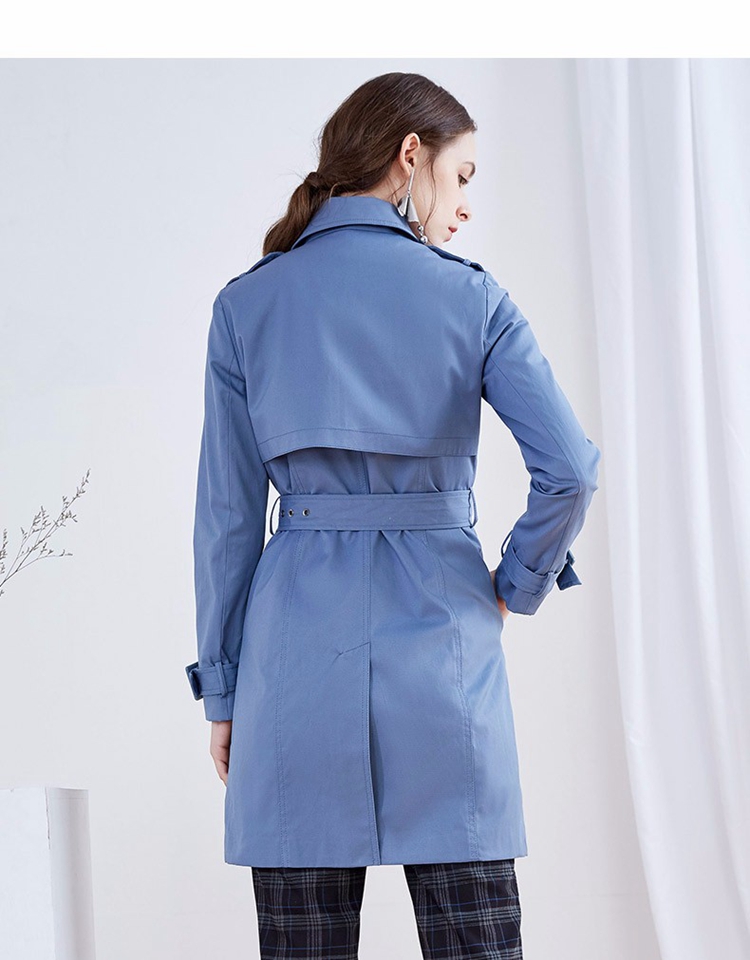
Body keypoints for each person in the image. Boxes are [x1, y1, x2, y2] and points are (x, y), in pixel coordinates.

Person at [185, 71, 601, 960]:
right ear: (411, 156)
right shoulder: (473, 297)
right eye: (462, 176)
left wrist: (223, 690)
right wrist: (515, 585)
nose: (466, 205)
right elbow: (571, 470)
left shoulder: (246, 305)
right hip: (447, 654)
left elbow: (227, 520)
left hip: (291, 666)